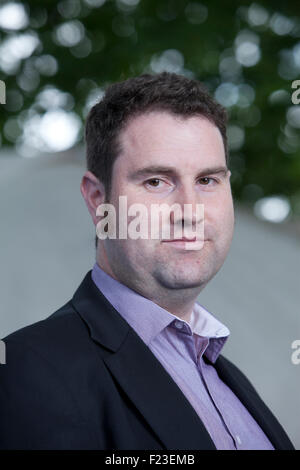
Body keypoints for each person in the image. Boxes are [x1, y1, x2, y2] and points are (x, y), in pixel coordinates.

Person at [0, 72, 294, 450]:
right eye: (157, 181)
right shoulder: (30, 370)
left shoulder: (227, 377)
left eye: (208, 181)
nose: (190, 211)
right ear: (96, 199)